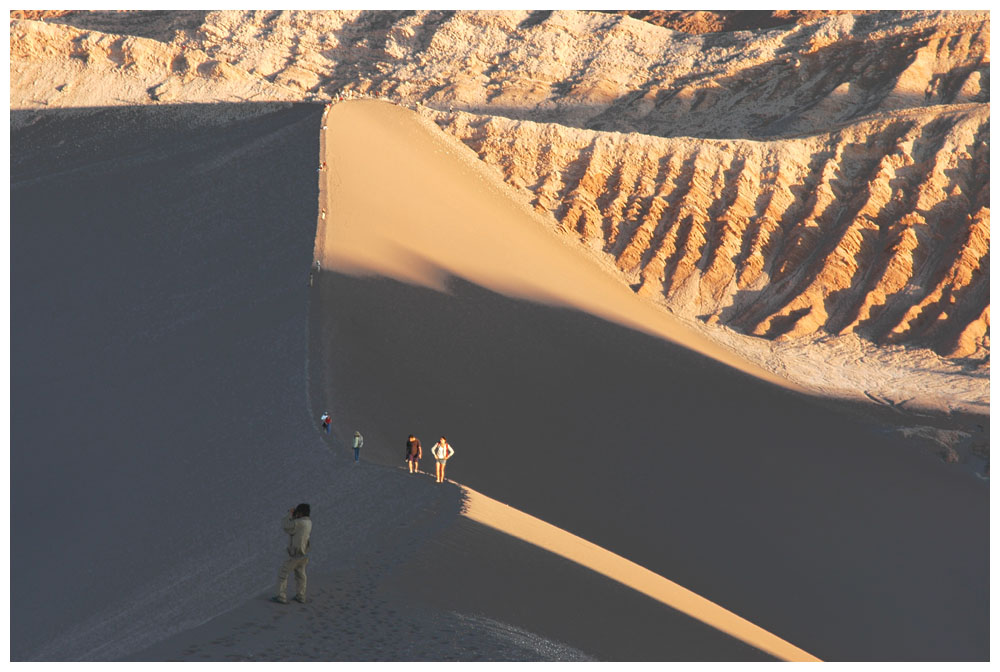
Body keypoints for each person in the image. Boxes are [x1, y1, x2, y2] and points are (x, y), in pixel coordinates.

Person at [273, 503, 312, 604]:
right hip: (304, 553)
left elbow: (286, 526)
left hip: (294, 554)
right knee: (301, 575)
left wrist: (290, 515)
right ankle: (301, 596)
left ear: (301, 512)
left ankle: (281, 596)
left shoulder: (299, 522)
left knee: (283, 573)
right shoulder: (309, 522)